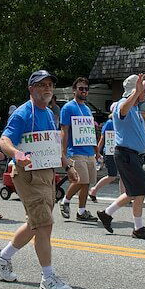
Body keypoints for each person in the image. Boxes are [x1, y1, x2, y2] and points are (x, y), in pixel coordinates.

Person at [0, 70, 78, 289]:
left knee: (36, 223)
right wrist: (16, 154)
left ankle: (3, 257)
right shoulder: (22, 114)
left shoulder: (49, 113)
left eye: (49, 84)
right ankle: (48, 277)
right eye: (41, 85)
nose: (47, 88)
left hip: (47, 174)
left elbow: (52, 146)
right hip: (28, 175)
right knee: (44, 225)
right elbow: (4, 140)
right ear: (31, 89)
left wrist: (67, 167)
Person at [96, 74, 145, 240]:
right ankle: (138, 228)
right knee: (141, 189)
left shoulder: (136, 109)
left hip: (132, 155)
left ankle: (107, 213)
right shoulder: (123, 104)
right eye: (144, 89)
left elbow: (133, 131)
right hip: (126, 154)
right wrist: (136, 92)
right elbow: (122, 110)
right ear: (134, 90)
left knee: (133, 191)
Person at [59, 77, 100, 222]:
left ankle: (81, 211)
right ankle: (65, 201)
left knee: (87, 183)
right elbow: (64, 130)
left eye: (86, 89)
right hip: (75, 151)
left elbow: (90, 131)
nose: (84, 91)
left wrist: (96, 150)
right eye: (81, 88)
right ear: (74, 90)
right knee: (80, 180)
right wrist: (63, 152)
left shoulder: (87, 109)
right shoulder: (68, 107)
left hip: (89, 151)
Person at [89, 106, 119, 202]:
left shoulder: (121, 122)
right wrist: (97, 152)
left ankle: (124, 196)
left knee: (123, 176)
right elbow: (102, 138)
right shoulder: (109, 123)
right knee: (112, 175)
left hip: (120, 152)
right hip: (110, 153)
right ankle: (94, 190)